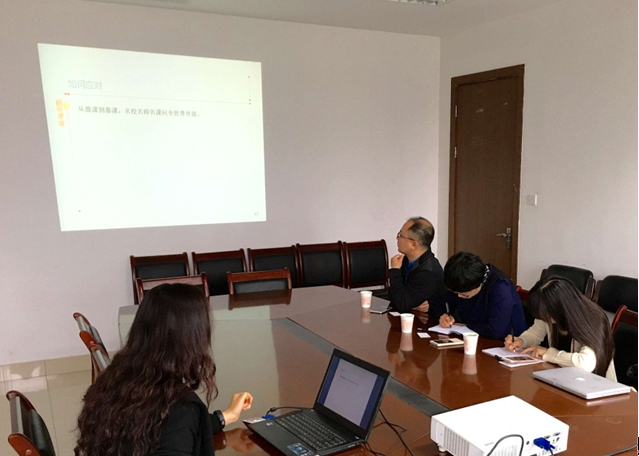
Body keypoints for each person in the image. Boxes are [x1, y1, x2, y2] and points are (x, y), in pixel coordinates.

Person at [75, 284, 254, 456]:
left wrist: (225, 416)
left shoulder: (119, 379)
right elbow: (175, 428)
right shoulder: (179, 409)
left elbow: (170, 430)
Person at [504, 276, 615, 379]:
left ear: (559, 307)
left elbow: (585, 364)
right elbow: (534, 334)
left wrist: (548, 353)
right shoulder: (550, 313)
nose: (543, 319)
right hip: (563, 378)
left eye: (545, 315)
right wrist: (521, 341)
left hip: (594, 384)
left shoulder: (593, 319)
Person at [432, 251, 526, 340]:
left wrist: (464, 325)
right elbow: (438, 300)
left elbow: (495, 331)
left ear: (478, 285)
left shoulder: (500, 288)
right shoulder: (458, 278)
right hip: (473, 336)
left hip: (506, 343)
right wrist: (442, 315)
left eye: (464, 295)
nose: (459, 296)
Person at [388, 217, 446, 313]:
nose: (397, 238)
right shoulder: (406, 259)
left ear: (413, 245)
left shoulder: (427, 272)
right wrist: (410, 305)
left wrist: (395, 271)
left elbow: (402, 304)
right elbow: (393, 296)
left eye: (400, 235)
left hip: (428, 320)